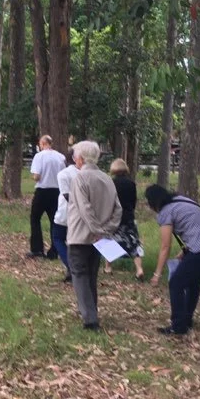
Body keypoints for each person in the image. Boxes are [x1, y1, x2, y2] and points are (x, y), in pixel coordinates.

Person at [145, 184, 200, 335]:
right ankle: (186, 321)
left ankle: (178, 326)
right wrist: (186, 249)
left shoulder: (165, 213)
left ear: (153, 202)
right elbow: (195, 224)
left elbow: (165, 246)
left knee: (176, 283)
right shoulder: (183, 200)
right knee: (192, 281)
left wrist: (157, 274)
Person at [67, 141, 122, 331]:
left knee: (80, 275)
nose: (75, 160)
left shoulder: (80, 179)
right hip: (100, 238)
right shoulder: (107, 178)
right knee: (90, 276)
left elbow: (85, 209)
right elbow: (118, 210)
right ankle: (91, 309)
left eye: (75, 157)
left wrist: (98, 230)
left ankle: (90, 319)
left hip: (81, 236)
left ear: (81, 159)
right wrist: (107, 230)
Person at [28, 134, 67, 258]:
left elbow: (37, 176)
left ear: (43, 143)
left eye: (40, 144)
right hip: (56, 191)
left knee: (35, 218)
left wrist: (34, 177)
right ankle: (54, 250)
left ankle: (37, 249)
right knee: (54, 220)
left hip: (42, 190)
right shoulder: (61, 157)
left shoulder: (39, 156)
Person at [107, 159, 145, 280]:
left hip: (114, 216)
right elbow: (133, 201)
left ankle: (108, 267)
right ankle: (139, 269)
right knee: (134, 242)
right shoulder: (131, 183)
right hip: (128, 216)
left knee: (111, 241)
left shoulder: (110, 183)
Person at [52, 148, 78, 283]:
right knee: (73, 242)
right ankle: (70, 271)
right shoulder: (84, 173)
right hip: (81, 216)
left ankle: (71, 266)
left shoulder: (64, 174)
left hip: (66, 213)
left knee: (58, 239)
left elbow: (66, 195)